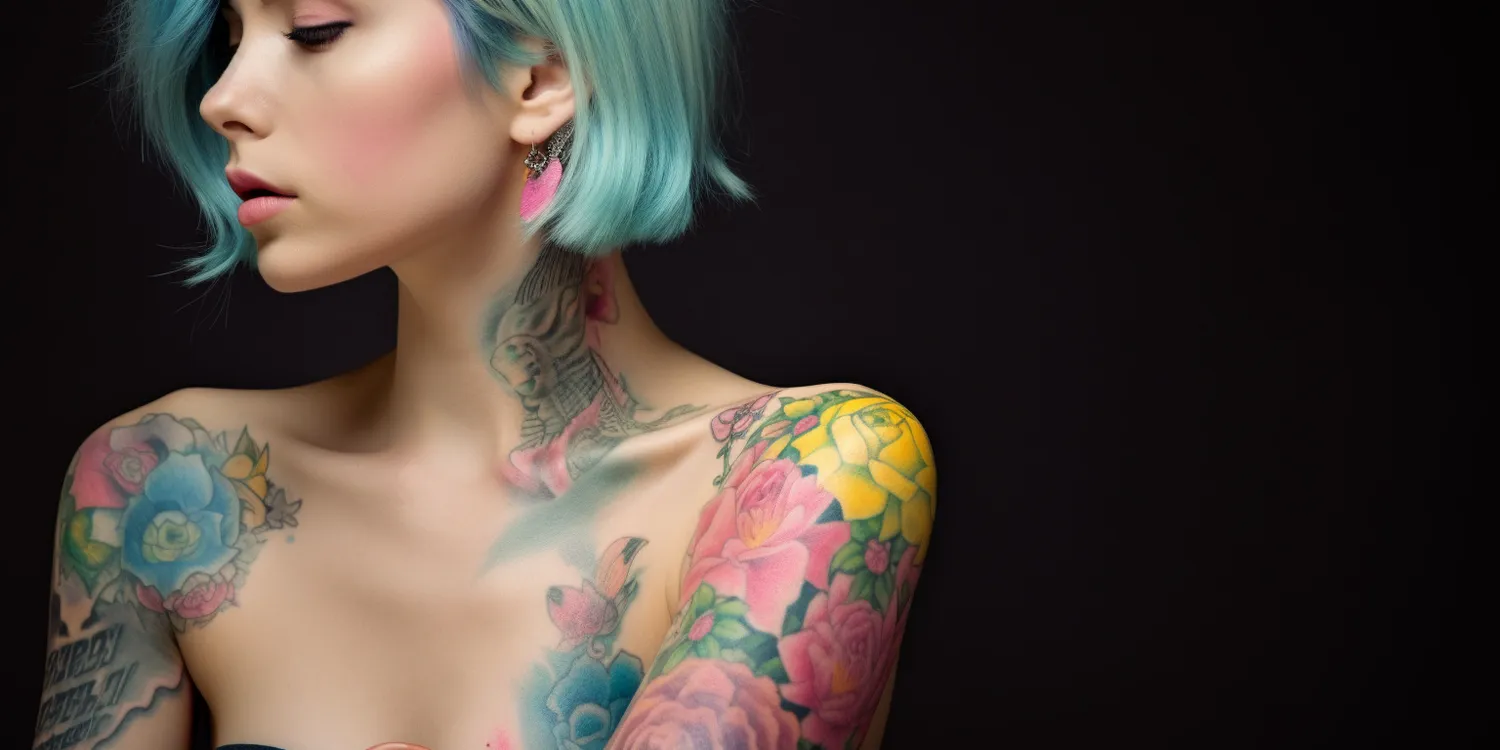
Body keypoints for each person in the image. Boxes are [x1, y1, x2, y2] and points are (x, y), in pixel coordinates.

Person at [34, 1, 937, 748]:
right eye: (230, 37)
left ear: (541, 77)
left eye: (313, 30)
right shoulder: (161, 489)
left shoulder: (808, 476)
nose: (221, 98)